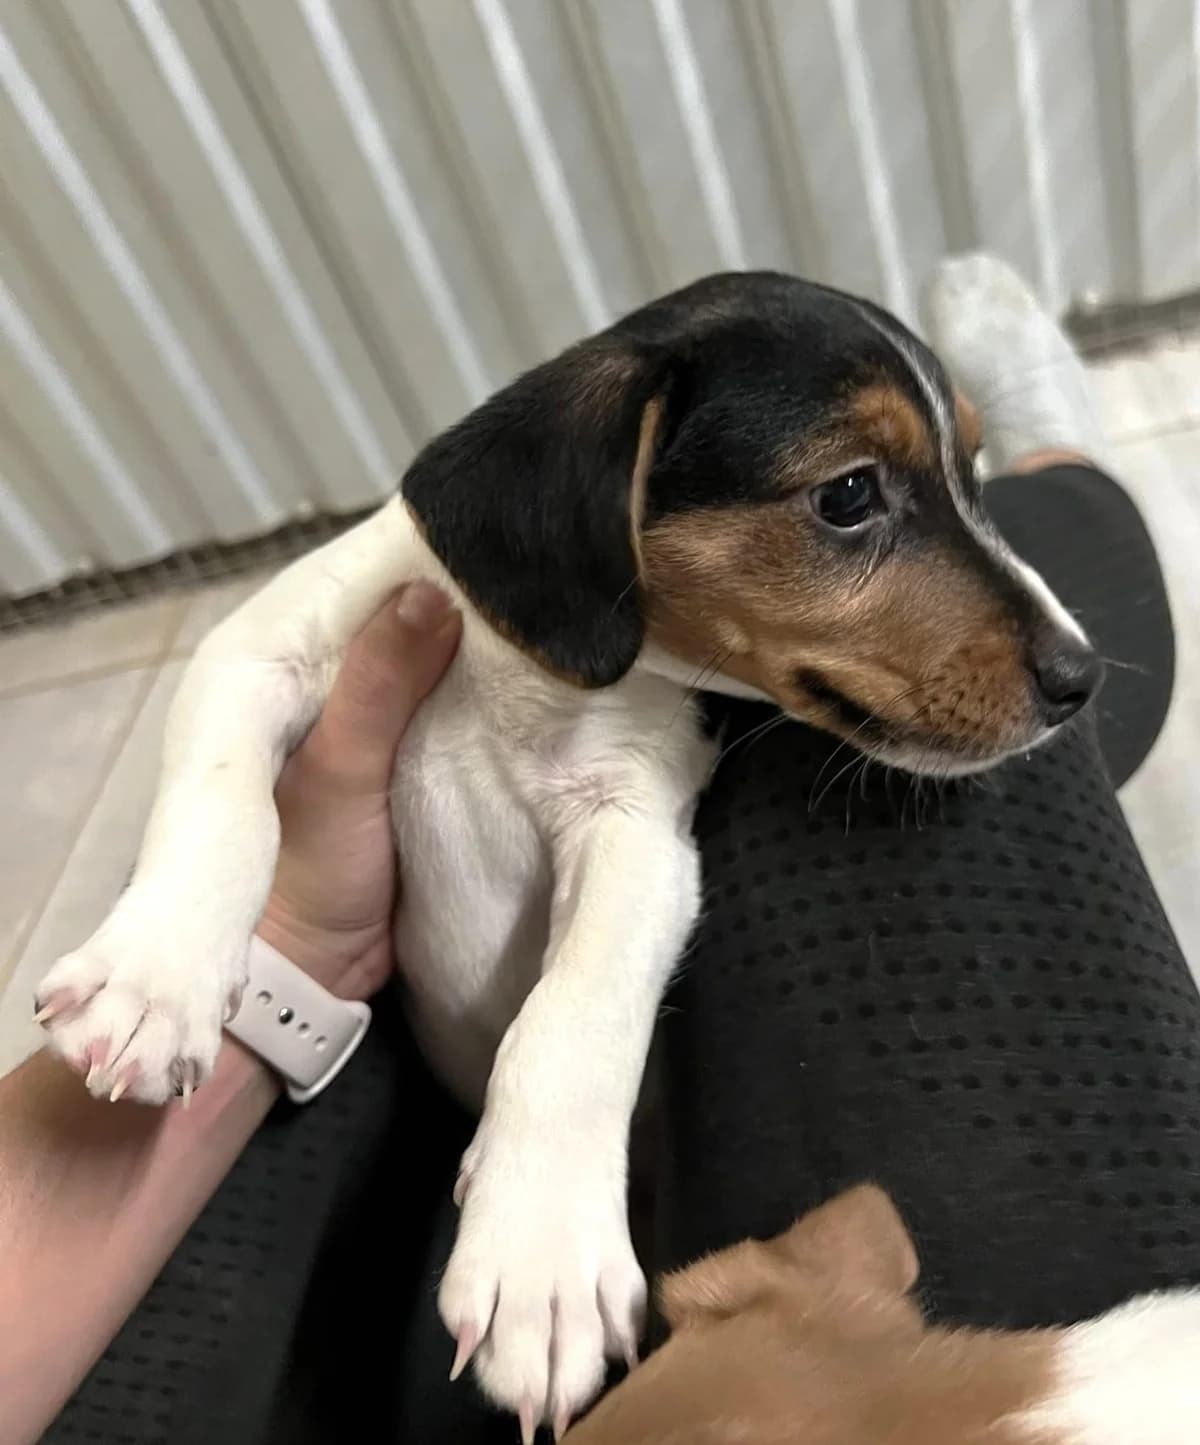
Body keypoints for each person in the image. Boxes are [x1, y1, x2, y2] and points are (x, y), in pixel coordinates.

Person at [8, 255, 1192, 1444]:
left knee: (998, 694)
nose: (1045, 645)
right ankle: (1059, 478)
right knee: (1009, 724)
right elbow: (254, 659)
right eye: (848, 499)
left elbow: (624, 838)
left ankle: (1022, 475)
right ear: (586, 510)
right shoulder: (506, 527)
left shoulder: (622, 665)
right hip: (418, 1196)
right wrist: (193, 896)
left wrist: (282, 939)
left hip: (315, 1087)